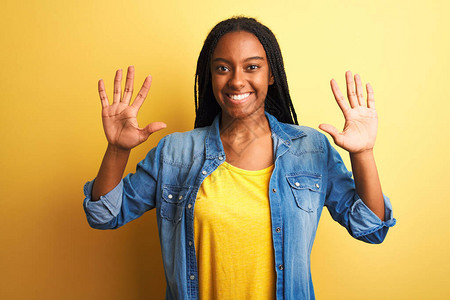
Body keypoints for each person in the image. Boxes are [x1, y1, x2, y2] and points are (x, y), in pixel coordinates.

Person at [83, 16, 396, 300]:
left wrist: (363, 153)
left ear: (271, 74)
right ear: (211, 76)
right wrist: (117, 150)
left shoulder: (310, 149)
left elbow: (370, 228)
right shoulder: (175, 153)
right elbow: (105, 215)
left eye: (252, 66)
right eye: (223, 67)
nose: (236, 80)